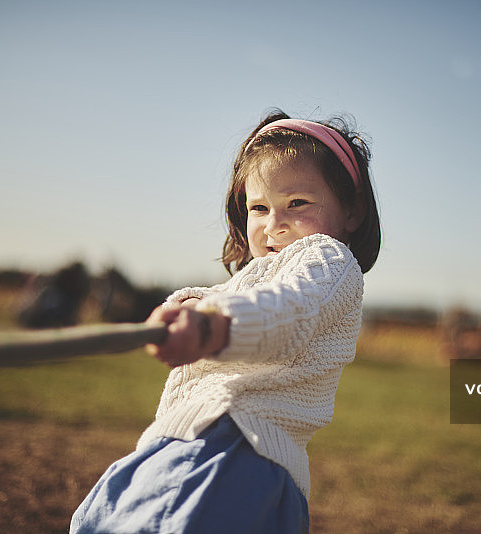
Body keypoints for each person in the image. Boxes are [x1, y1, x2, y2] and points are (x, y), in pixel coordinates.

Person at [70, 109, 382, 534]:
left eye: (298, 203)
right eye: (259, 207)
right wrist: (189, 305)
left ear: (352, 211)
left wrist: (211, 325)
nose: (275, 226)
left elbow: (290, 310)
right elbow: (231, 300)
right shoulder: (258, 277)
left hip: (233, 452)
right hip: (198, 445)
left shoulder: (326, 259)